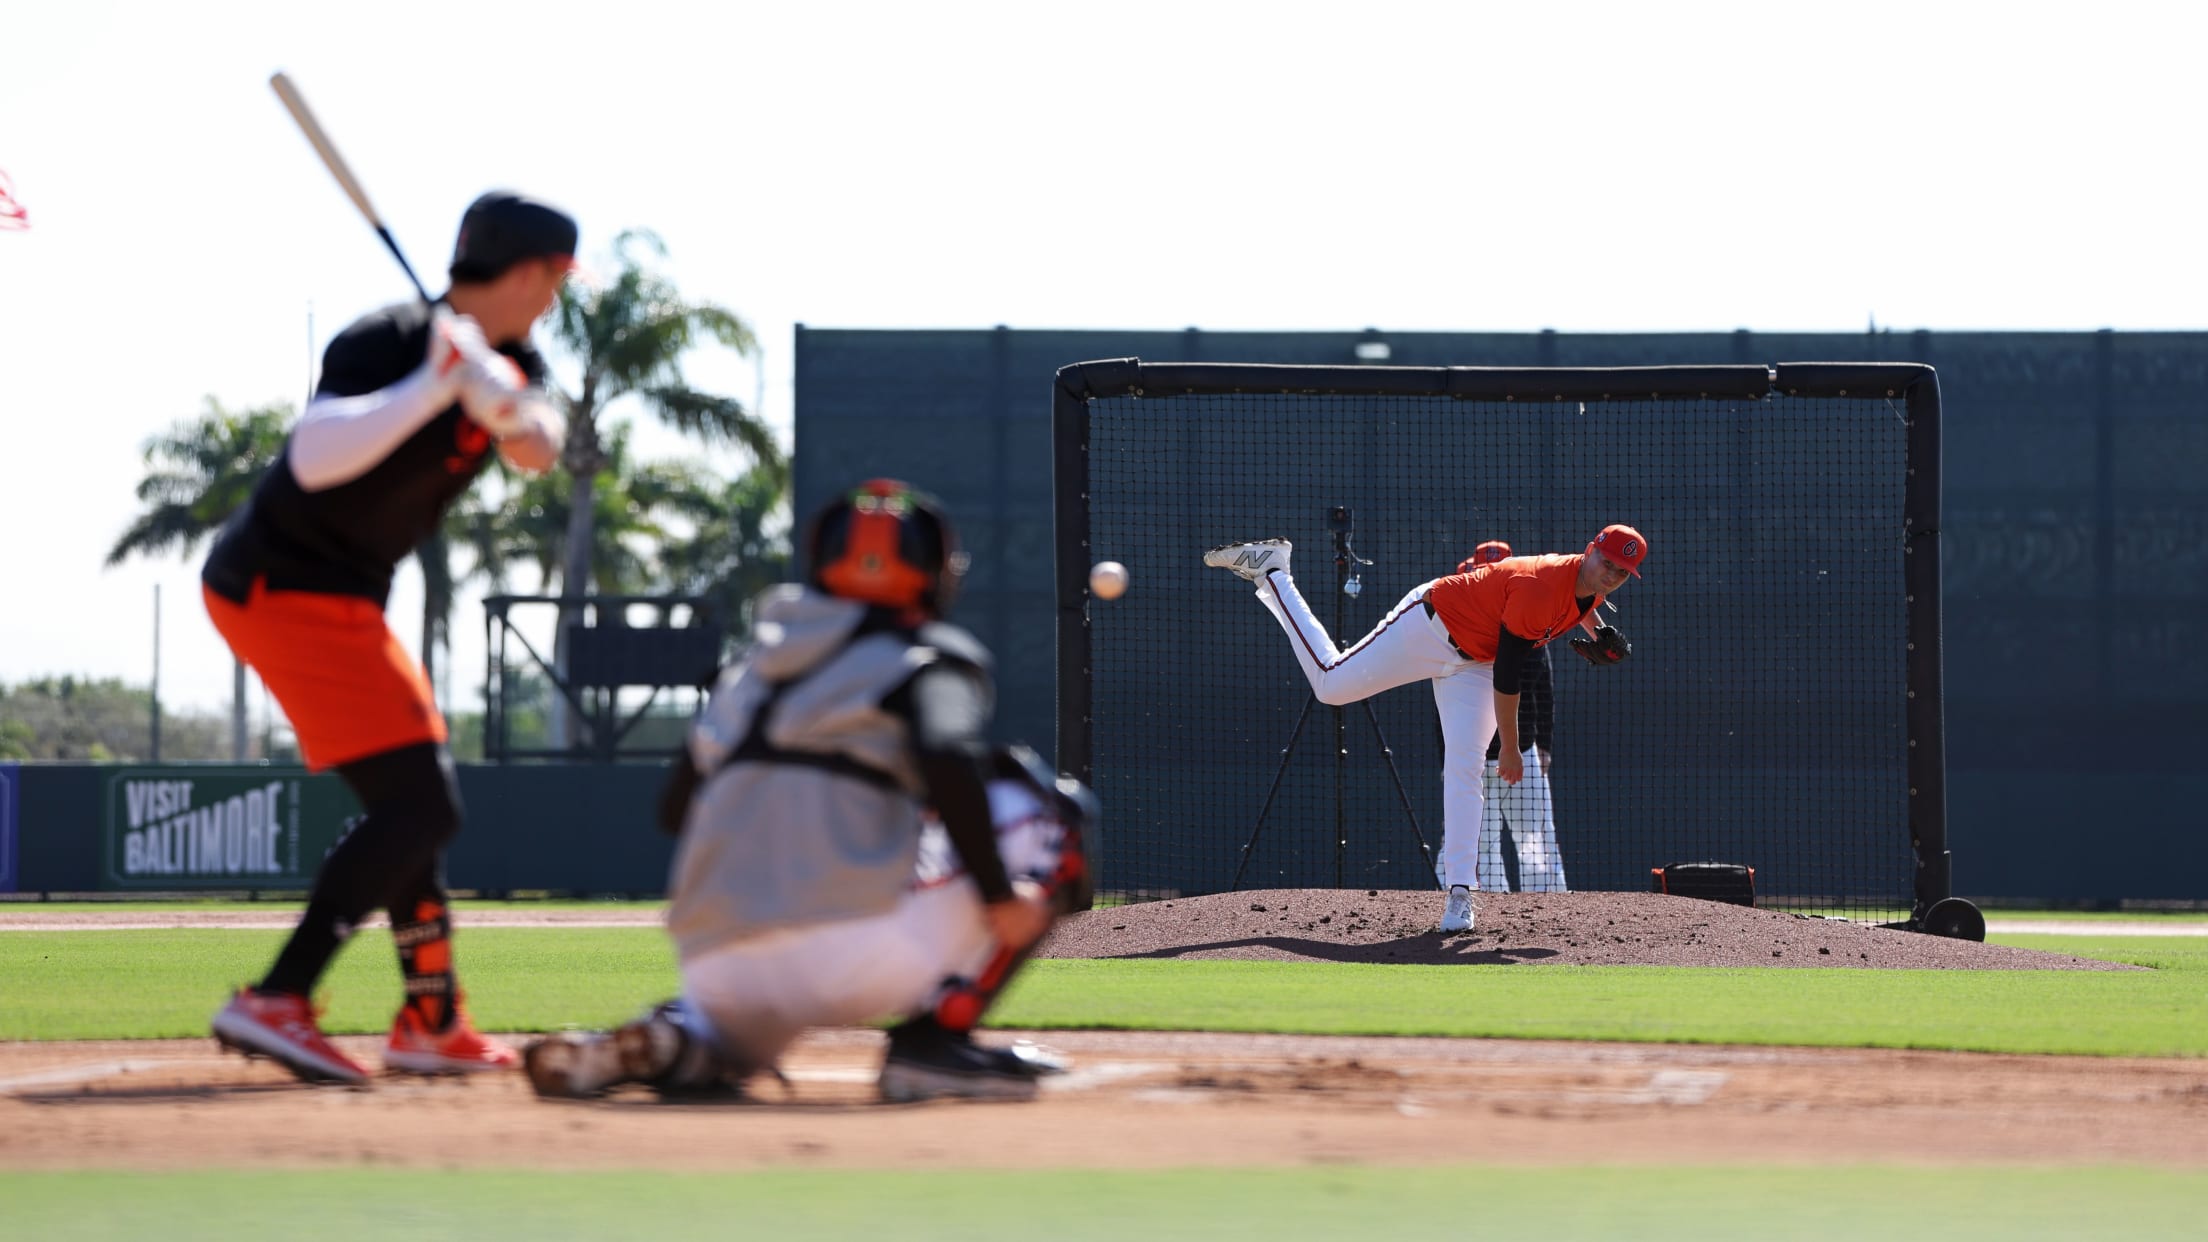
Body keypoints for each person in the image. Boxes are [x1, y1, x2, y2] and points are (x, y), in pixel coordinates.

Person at [523, 479, 1091, 1103]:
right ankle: (933, 1045)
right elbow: (949, 756)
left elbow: (674, 810)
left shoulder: (750, 667)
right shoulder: (927, 656)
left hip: (715, 963)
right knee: (1048, 808)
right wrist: (996, 893)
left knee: (726, 1043)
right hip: (858, 955)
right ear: (929, 572)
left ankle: (682, 1036)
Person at [204, 190, 577, 1083]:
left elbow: (543, 446)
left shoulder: (516, 356)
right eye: (557, 280)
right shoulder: (388, 340)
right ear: (528, 273)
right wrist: (434, 387)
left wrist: (506, 404)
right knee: (423, 807)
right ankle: (278, 998)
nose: (558, 299)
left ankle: (432, 1019)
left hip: (341, 601)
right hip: (281, 582)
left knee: (411, 805)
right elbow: (314, 457)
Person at [1204, 524, 1645, 933]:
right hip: (1431, 627)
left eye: (1623, 572)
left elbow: (1577, 606)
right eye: (1607, 562)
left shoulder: (1584, 587)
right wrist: (1510, 748)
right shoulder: (1540, 586)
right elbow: (1508, 678)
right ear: (1590, 551)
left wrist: (1601, 629)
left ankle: (1460, 895)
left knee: (1466, 766)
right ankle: (1274, 572)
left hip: (1474, 661)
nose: (1611, 575)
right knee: (1331, 685)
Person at [1461, 541, 1567, 894]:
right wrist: (1449, 759)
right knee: (1478, 845)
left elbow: (1544, 693)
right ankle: (1484, 910)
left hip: (1523, 755)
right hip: (1473, 758)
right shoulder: (1463, 625)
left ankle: (1548, 912)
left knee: (1535, 841)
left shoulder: (1533, 622)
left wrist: (1545, 747)